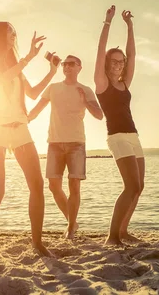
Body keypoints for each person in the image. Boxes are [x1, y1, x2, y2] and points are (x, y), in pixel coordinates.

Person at [0, 22, 56, 260]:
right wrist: (28, 58)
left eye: (15, 31)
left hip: (20, 129)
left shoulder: (16, 67)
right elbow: (0, 80)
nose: (14, 35)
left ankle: (37, 242)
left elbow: (32, 94)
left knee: (37, 185)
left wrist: (52, 72)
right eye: (10, 31)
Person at [28, 54, 103, 239]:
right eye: (64, 64)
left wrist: (85, 101)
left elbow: (99, 115)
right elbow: (37, 109)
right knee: (54, 186)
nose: (67, 67)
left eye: (71, 64)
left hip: (76, 143)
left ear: (79, 67)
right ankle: (72, 221)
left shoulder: (85, 90)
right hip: (54, 143)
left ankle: (70, 229)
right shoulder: (53, 88)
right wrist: (23, 120)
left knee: (74, 187)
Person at [94, 5, 144, 246]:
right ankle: (112, 236)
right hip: (117, 137)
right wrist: (107, 22)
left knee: (139, 187)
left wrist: (130, 26)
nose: (119, 64)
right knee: (131, 186)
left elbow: (133, 56)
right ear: (106, 63)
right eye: (114, 61)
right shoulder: (102, 83)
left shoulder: (125, 82)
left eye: (121, 61)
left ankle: (123, 231)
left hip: (134, 136)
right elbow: (100, 51)